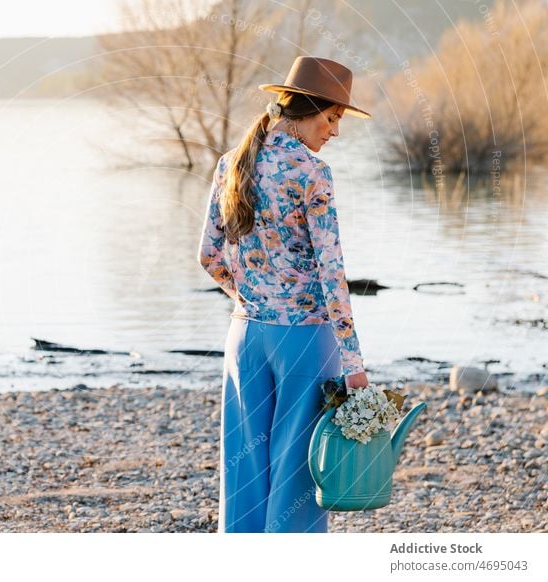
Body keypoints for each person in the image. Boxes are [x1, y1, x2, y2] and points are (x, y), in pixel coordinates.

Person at [197, 56, 371, 533]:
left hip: (245, 336)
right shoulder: (313, 172)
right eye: (332, 118)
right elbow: (332, 276)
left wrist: (252, 296)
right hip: (305, 343)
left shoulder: (232, 163)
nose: (334, 132)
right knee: (298, 476)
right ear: (309, 110)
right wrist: (354, 365)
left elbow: (209, 256)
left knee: (244, 474)